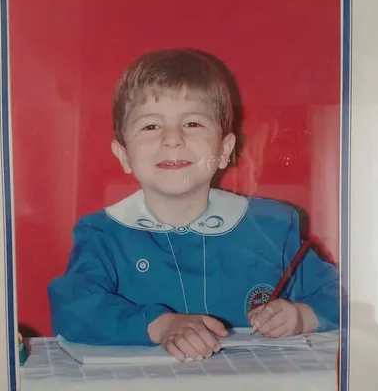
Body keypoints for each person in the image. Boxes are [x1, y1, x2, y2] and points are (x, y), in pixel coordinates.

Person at [48, 48, 339, 362]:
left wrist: (302, 316)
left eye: (192, 124)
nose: (172, 138)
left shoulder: (272, 229)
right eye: (151, 126)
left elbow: (344, 295)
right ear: (123, 155)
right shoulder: (102, 234)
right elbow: (73, 308)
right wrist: (160, 325)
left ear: (224, 150)